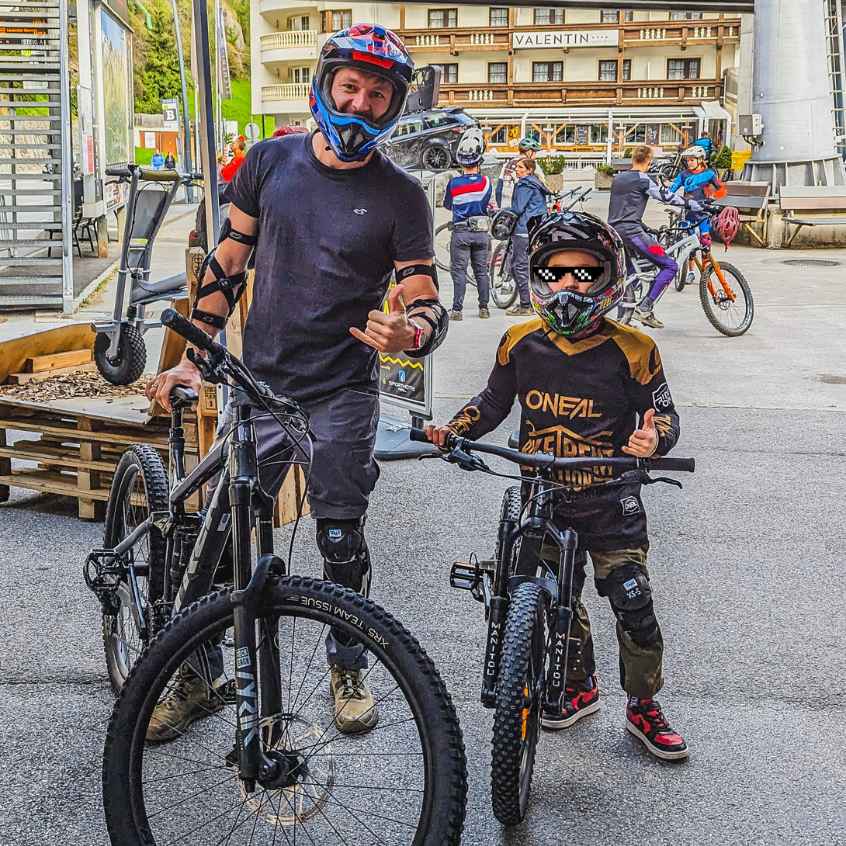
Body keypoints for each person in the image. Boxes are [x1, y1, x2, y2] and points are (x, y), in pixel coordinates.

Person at [145, 23, 447, 741]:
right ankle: (196, 673)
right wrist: (190, 357)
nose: (361, 105)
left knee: (339, 533)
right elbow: (226, 263)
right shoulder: (268, 161)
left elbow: (427, 296)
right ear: (325, 85)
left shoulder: (403, 197)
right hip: (259, 383)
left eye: (378, 95)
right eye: (351, 87)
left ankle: (349, 665)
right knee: (224, 530)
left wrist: (413, 333)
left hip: (342, 389)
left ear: (394, 105)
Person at [426, 210, 689, 761]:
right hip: (541, 501)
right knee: (550, 601)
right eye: (555, 273)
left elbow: (665, 420)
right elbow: (491, 404)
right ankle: (577, 685)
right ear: (537, 276)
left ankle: (643, 706)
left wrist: (652, 441)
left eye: (585, 273)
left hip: (612, 503)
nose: (570, 285)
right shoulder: (519, 341)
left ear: (610, 277)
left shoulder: (636, 349)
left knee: (632, 602)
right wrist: (453, 431)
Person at [607, 144, 700, 329]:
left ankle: (623, 320)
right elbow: (665, 197)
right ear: (649, 161)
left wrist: (644, 226)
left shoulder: (618, 179)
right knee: (669, 264)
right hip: (632, 233)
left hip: (615, 233)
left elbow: (623, 207)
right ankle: (646, 308)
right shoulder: (643, 179)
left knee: (630, 274)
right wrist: (692, 204)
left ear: (633, 159)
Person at [443, 127, 492, 321]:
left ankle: (457, 310)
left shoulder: (454, 183)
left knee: (459, 271)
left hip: (461, 232)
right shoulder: (486, 182)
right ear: (479, 160)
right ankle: (484, 308)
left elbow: (448, 205)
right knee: (481, 272)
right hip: (481, 233)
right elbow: (488, 201)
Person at [506, 157, 550, 317]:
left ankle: (526, 305)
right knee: (530, 266)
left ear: (529, 170)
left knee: (518, 266)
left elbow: (518, 208)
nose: (516, 169)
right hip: (536, 229)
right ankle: (536, 300)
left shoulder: (524, 184)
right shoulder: (536, 183)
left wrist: (503, 212)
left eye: (520, 167)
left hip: (523, 229)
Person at [669, 144, 724, 256]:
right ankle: (691, 272)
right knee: (690, 245)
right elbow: (672, 189)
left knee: (705, 242)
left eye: (692, 160)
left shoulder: (709, 174)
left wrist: (713, 198)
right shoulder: (683, 174)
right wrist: (666, 194)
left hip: (703, 213)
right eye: (688, 160)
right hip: (688, 212)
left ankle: (705, 269)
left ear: (700, 160)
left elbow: (721, 190)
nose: (689, 162)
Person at [495, 136, 547, 208]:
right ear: (529, 152)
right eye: (535, 152)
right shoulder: (531, 165)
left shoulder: (507, 164)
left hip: (504, 205)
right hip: (520, 206)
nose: (535, 156)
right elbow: (543, 183)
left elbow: (499, 186)